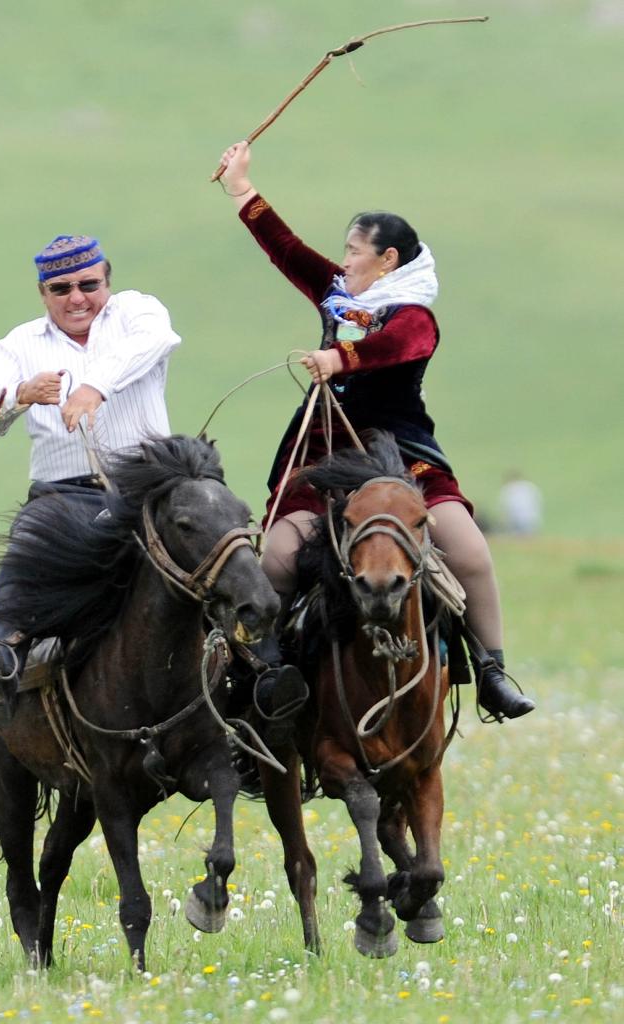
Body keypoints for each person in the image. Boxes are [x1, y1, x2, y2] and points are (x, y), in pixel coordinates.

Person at [215, 141, 534, 722]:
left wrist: (338, 359)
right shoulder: (339, 294)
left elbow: (397, 346)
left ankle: (491, 672)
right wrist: (241, 187)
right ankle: (263, 674)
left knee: (469, 552)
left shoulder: (414, 315)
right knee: (278, 558)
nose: (344, 261)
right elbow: (288, 251)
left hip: (400, 455)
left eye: (354, 251)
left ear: (387, 259)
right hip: (326, 453)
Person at [0, 234, 181, 699]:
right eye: (61, 288)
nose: (77, 298)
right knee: (24, 561)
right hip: (64, 494)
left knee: (216, 538)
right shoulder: (19, 345)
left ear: (107, 281)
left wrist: (93, 387)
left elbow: (158, 339)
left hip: (149, 485)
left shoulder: (136, 311)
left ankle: (256, 662)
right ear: (43, 293)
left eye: (88, 284)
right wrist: (21, 394)